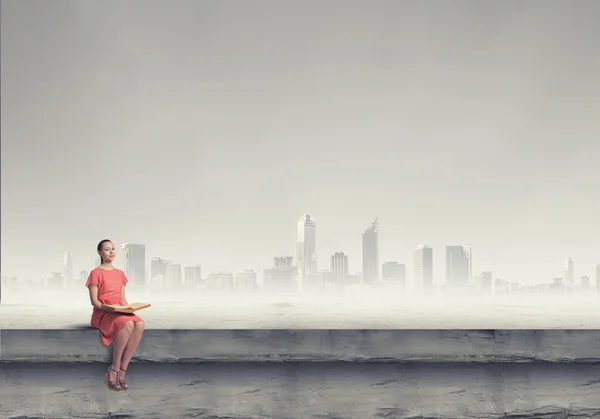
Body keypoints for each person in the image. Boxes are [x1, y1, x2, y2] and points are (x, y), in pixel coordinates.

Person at [85, 239, 145, 392]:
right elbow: (95, 302)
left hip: (119, 310)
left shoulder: (120, 274)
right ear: (100, 252)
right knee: (128, 324)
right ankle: (114, 369)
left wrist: (128, 309)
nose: (111, 252)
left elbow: (123, 299)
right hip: (103, 313)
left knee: (140, 323)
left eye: (113, 249)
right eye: (107, 249)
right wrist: (109, 308)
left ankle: (123, 369)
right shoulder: (95, 273)